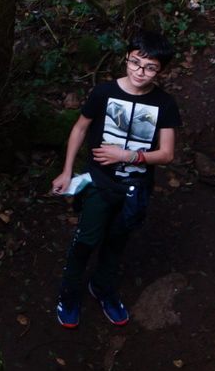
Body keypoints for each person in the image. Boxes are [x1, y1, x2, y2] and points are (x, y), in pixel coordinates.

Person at [50, 30, 181, 327]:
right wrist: (67, 170)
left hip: (136, 189)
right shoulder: (104, 92)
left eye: (150, 68)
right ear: (127, 58)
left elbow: (167, 154)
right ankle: (69, 294)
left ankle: (103, 288)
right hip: (100, 183)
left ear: (160, 70)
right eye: (135, 63)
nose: (140, 72)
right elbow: (80, 128)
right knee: (86, 240)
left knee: (116, 242)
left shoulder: (165, 104)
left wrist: (127, 156)